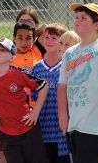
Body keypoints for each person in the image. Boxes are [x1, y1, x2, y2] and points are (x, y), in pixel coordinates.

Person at [57, 3, 98, 163]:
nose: (77, 21)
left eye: (83, 18)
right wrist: (63, 115)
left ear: (97, 23)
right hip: (74, 125)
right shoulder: (70, 53)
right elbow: (62, 87)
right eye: (76, 17)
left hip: (96, 127)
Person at [0, 37, 49, 163]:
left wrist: (35, 112)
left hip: (28, 128)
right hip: (6, 132)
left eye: (2, 50)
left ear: (12, 57)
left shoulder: (19, 74)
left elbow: (44, 86)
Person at [31, 23, 71, 163]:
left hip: (62, 129)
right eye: (46, 37)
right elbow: (34, 99)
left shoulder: (67, 66)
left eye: (54, 38)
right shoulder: (36, 68)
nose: (48, 41)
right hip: (44, 127)